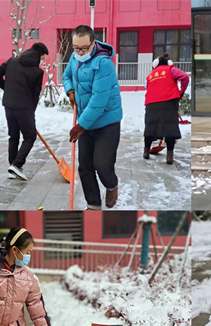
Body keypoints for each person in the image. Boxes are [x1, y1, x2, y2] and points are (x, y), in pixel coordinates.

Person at [63, 25, 123, 210]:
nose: (80, 52)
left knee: (102, 165)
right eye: (76, 48)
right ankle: (93, 204)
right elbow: (66, 76)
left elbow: (99, 100)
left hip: (106, 121)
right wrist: (70, 90)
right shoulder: (75, 58)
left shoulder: (103, 63)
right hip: (86, 121)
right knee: (85, 166)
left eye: (84, 48)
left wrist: (80, 126)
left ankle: (111, 185)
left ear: (93, 43)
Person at [0, 43, 48, 181]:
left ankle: (12, 167)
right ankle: (17, 165)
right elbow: (35, 95)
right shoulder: (37, 72)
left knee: (14, 136)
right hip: (24, 107)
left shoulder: (12, 61)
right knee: (30, 137)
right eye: (43, 58)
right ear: (39, 56)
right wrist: (31, 112)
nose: (43, 61)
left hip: (9, 105)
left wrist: (8, 89)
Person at [143, 53, 189, 164]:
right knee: (170, 129)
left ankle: (146, 152)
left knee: (150, 127)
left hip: (151, 104)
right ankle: (169, 156)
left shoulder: (151, 75)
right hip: (168, 103)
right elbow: (185, 77)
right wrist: (180, 92)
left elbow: (148, 87)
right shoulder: (171, 70)